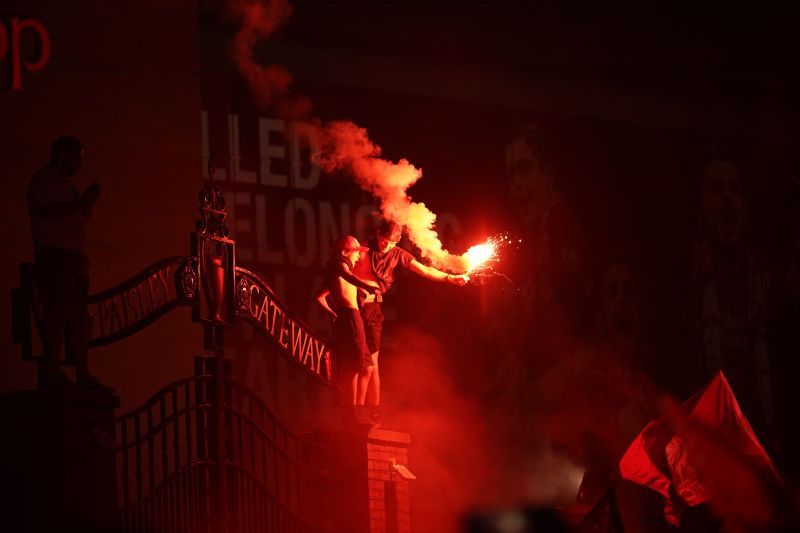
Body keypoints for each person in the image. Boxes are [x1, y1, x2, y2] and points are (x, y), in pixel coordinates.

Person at [354, 220, 469, 424]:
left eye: (390, 242)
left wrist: (450, 279)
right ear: (378, 234)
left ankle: (373, 409)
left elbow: (425, 271)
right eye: (382, 240)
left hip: (372, 311)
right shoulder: (362, 248)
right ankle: (355, 408)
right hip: (355, 308)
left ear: (397, 241)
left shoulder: (398, 254)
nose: (385, 246)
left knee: (372, 364)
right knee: (358, 362)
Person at [27, 135, 114, 393]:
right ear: (62, 155)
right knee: (56, 312)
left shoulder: (67, 186)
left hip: (74, 259)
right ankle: (54, 369)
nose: (78, 165)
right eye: (77, 159)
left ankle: (82, 373)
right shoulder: (44, 180)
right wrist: (80, 201)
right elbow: (51, 213)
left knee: (77, 317)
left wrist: (87, 202)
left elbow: (79, 218)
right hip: (55, 257)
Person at [314, 235, 381, 425]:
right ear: (345, 252)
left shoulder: (336, 271)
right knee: (354, 366)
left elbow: (319, 297)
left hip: (351, 316)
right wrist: (367, 286)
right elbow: (347, 275)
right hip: (350, 317)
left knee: (367, 366)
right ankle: (351, 413)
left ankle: (356, 410)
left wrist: (332, 313)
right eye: (356, 253)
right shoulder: (340, 265)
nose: (358, 257)